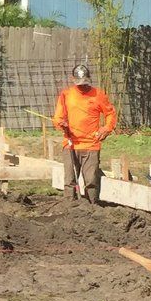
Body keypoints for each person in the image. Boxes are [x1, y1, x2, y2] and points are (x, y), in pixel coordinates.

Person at [53, 62, 118, 204]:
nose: (82, 86)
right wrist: (61, 123)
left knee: (91, 181)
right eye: (79, 83)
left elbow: (110, 114)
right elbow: (58, 117)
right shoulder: (66, 94)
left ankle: (91, 206)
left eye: (84, 83)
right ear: (73, 80)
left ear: (89, 79)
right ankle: (69, 206)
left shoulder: (98, 94)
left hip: (91, 145)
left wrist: (106, 129)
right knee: (69, 180)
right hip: (71, 143)